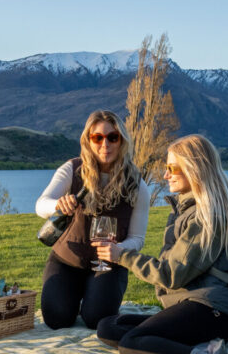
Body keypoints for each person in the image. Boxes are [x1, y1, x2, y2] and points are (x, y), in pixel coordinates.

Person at [97, 134, 228, 354]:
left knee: (131, 343)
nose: (165, 175)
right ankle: (207, 345)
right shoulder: (187, 208)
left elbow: (170, 274)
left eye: (171, 168)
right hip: (199, 306)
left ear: (194, 170)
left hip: (213, 311)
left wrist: (122, 255)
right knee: (108, 327)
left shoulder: (205, 216)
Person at [36, 110, 150, 329]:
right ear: (88, 141)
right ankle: (75, 294)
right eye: (97, 137)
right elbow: (41, 204)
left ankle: (93, 297)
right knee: (56, 318)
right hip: (67, 259)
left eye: (112, 137)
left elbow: (138, 238)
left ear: (121, 141)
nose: (104, 144)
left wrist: (119, 249)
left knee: (96, 319)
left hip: (108, 264)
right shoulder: (72, 169)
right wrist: (57, 205)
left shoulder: (137, 184)